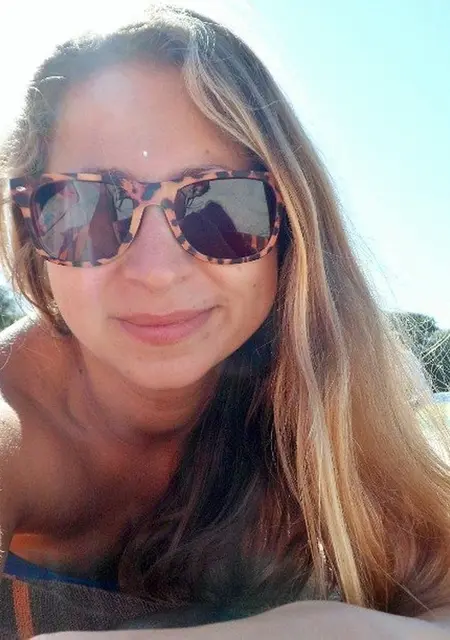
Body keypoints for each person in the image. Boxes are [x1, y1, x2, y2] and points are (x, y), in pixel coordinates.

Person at [0, 4, 449, 638]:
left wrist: (314, 623)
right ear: (30, 233)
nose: (157, 271)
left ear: (291, 227)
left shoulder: (312, 416)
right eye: (88, 208)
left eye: (221, 205)